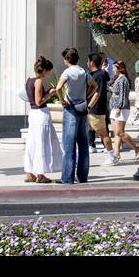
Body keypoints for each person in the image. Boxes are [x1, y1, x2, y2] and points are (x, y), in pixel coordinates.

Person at [23, 56, 60, 183]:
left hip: (32, 114)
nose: (49, 73)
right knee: (41, 143)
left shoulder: (29, 80)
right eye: (48, 71)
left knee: (32, 143)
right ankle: (40, 174)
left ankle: (29, 173)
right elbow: (39, 101)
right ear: (43, 70)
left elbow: (32, 99)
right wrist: (51, 93)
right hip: (40, 114)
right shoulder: (38, 81)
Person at [57, 47, 90, 184]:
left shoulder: (67, 72)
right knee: (83, 144)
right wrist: (86, 96)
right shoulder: (83, 71)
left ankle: (67, 178)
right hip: (82, 108)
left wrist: (61, 100)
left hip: (70, 109)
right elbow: (93, 85)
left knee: (69, 145)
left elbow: (58, 88)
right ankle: (82, 176)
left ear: (66, 59)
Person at [108, 60, 139, 161]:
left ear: (120, 68)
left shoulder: (123, 80)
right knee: (116, 133)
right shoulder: (117, 79)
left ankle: (136, 147)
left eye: (114, 68)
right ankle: (117, 154)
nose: (113, 69)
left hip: (120, 108)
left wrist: (119, 107)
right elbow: (114, 90)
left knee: (120, 132)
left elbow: (123, 95)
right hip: (114, 108)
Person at [86, 52, 114, 160]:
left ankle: (111, 155)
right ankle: (91, 146)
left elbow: (97, 93)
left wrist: (89, 106)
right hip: (92, 108)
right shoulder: (95, 74)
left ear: (92, 63)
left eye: (88, 61)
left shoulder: (99, 75)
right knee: (90, 130)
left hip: (96, 108)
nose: (87, 63)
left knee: (103, 133)